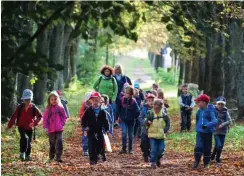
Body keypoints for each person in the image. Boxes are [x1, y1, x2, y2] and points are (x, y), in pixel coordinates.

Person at [7, 89, 43, 161]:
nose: (27, 101)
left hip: (30, 127)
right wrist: (9, 126)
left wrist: (35, 123)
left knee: (29, 141)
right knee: (24, 138)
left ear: (31, 99)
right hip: (21, 126)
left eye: (28, 99)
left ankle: (27, 155)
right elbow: (14, 116)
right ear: (23, 99)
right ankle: (22, 152)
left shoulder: (33, 107)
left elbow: (40, 116)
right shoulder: (19, 107)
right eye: (25, 99)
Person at [81, 92, 109, 165]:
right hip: (91, 130)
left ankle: (100, 154)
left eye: (96, 100)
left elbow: (105, 121)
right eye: (93, 100)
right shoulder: (89, 110)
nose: (95, 102)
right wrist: (85, 127)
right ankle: (92, 159)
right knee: (91, 145)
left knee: (100, 144)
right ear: (91, 101)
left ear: (100, 101)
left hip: (99, 130)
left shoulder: (102, 111)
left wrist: (106, 129)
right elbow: (83, 119)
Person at [193, 94, 218, 169]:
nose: (198, 103)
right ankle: (196, 161)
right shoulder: (199, 111)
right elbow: (197, 119)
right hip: (200, 133)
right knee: (198, 146)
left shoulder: (210, 111)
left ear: (204, 103)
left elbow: (215, 121)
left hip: (208, 133)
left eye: (199, 102)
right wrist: (198, 127)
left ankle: (206, 163)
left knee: (207, 148)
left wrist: (207, 125)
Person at [43, 91, 68, 162]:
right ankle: (51, 156)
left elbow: (64, 116)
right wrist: (45, 127)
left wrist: (62, 123)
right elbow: (45, 119)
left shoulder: (60, 107)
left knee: (59, 141)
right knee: (52, 142)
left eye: (55, 99)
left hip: (59, 128)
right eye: (52, 99)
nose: (54, 101)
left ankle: (58, 156)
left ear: (58, 99)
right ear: (49, 100)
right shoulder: (48, 109)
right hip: (51, 129)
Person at [146, 99, 170, 169]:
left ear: (160, 108)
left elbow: (168, 124)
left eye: (157, 109)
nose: (156, 110)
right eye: (154, 108)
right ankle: (153, 162)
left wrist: (165, 130)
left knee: (161, 150)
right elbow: (145, 123)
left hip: (161, 136)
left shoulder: (164, 115)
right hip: (152, 135)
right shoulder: (150, 113)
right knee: (153, 149)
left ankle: (158, 159)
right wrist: (147, 122)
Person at [118, 86, 140, 154]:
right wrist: (119, 117)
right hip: (123, 120)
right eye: (125, 93)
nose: (125, 94)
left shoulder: (133, 101)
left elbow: (138, 111)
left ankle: (130, 149)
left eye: (127, 93)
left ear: (131, 94)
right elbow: (119, 109)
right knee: (124, 133)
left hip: (131, 121)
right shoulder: (122, 99)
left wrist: (134, 117)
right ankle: (123, 148)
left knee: (130, 135)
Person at [211, 96, 232, 163]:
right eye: (219, 104)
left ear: (224, 104)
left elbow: (229, 121)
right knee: (219, 145)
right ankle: (217, 158)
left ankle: (212, 155)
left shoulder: (225, 111)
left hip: (223, 131)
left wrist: (222, 124)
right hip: (216, 131)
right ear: (216, 104)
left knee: (220, 145)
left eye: (222, 104)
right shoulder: (213, 110)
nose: (220, 105)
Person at [139, 93, 155, 162]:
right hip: (145, 130)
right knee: (143, 143)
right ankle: (145, 153)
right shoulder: (144, 109)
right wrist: (145, 122)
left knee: (151, 144)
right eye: (149, 101)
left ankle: (150, 154)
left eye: (152, 100)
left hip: (153, 130)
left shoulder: (156, 109)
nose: (150, 102)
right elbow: (140, 117)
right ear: (146, 101)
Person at [79, 92, 92, 156]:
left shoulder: (94, 105)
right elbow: (81, 114)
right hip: (85, 124)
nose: (92, 100)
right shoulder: (84, 105)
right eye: (90, 98)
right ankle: (85, 149)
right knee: (85, 136)